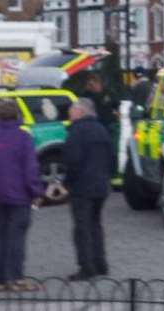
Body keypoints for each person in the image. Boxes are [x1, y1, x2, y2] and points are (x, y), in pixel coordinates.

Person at [0, 99, 44, 291]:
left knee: (0, 238)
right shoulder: (23, 138)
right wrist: (36, 192)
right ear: (17, 114)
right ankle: (16, 278)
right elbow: (30, 169)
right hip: (19, 196)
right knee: (17, 237)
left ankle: (0, 279)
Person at [63, 98, 113, 281]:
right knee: (96, 225)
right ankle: (101, 263)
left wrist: (68, 182)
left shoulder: (76, 132)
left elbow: (72, 161)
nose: (69, 114)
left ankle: (86, 267)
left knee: (82, 228)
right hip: (100, 186)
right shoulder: (102, 129)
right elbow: (111, 157)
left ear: (80, 112)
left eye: (72, 110)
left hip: (82, 187)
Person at [82, 73, 120, 183]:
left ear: (99, 83)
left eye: (94, 83)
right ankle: (97, 174)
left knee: (111, 151)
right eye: (90, 84)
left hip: (109, 126)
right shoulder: (86, 95)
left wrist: (117, 116)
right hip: (94, 127)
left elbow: (117, 107)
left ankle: (112, 174)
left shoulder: (109, 93)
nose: (93, 86)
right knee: (95, 152)